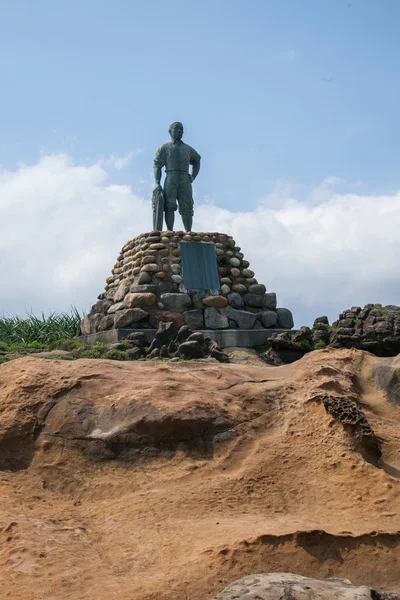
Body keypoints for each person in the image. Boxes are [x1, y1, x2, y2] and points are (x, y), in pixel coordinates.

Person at [153, 122, 201, 232]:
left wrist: (193, 176)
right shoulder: (164, 148)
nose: (179, 131)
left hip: (185, 178)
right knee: (169, 206)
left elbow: (197, 161)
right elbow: (157, 166)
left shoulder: (188, 149)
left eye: (181, 129)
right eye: (176, 129)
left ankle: (188, 231)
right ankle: (170, 231)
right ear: (170, 131)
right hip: (171, 177)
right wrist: (157, 182)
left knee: (187, 207)